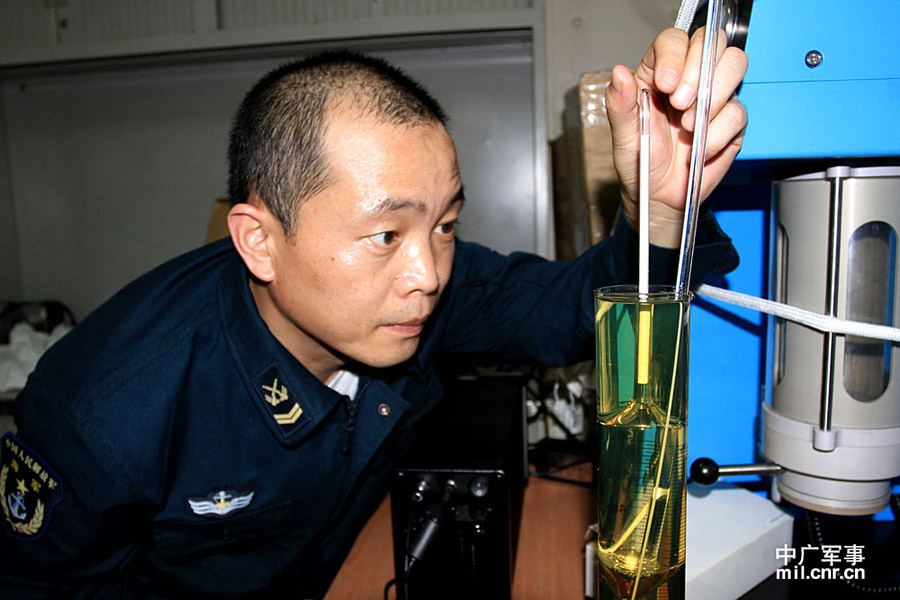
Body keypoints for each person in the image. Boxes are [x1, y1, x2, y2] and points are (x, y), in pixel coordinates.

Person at [0, 27, 747, 598]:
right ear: (259, 241)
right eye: (385, 234)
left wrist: (658, 210)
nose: (426, 273)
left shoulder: (422, 295)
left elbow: (569, 310)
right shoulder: (102, 415)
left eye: (445, 224)